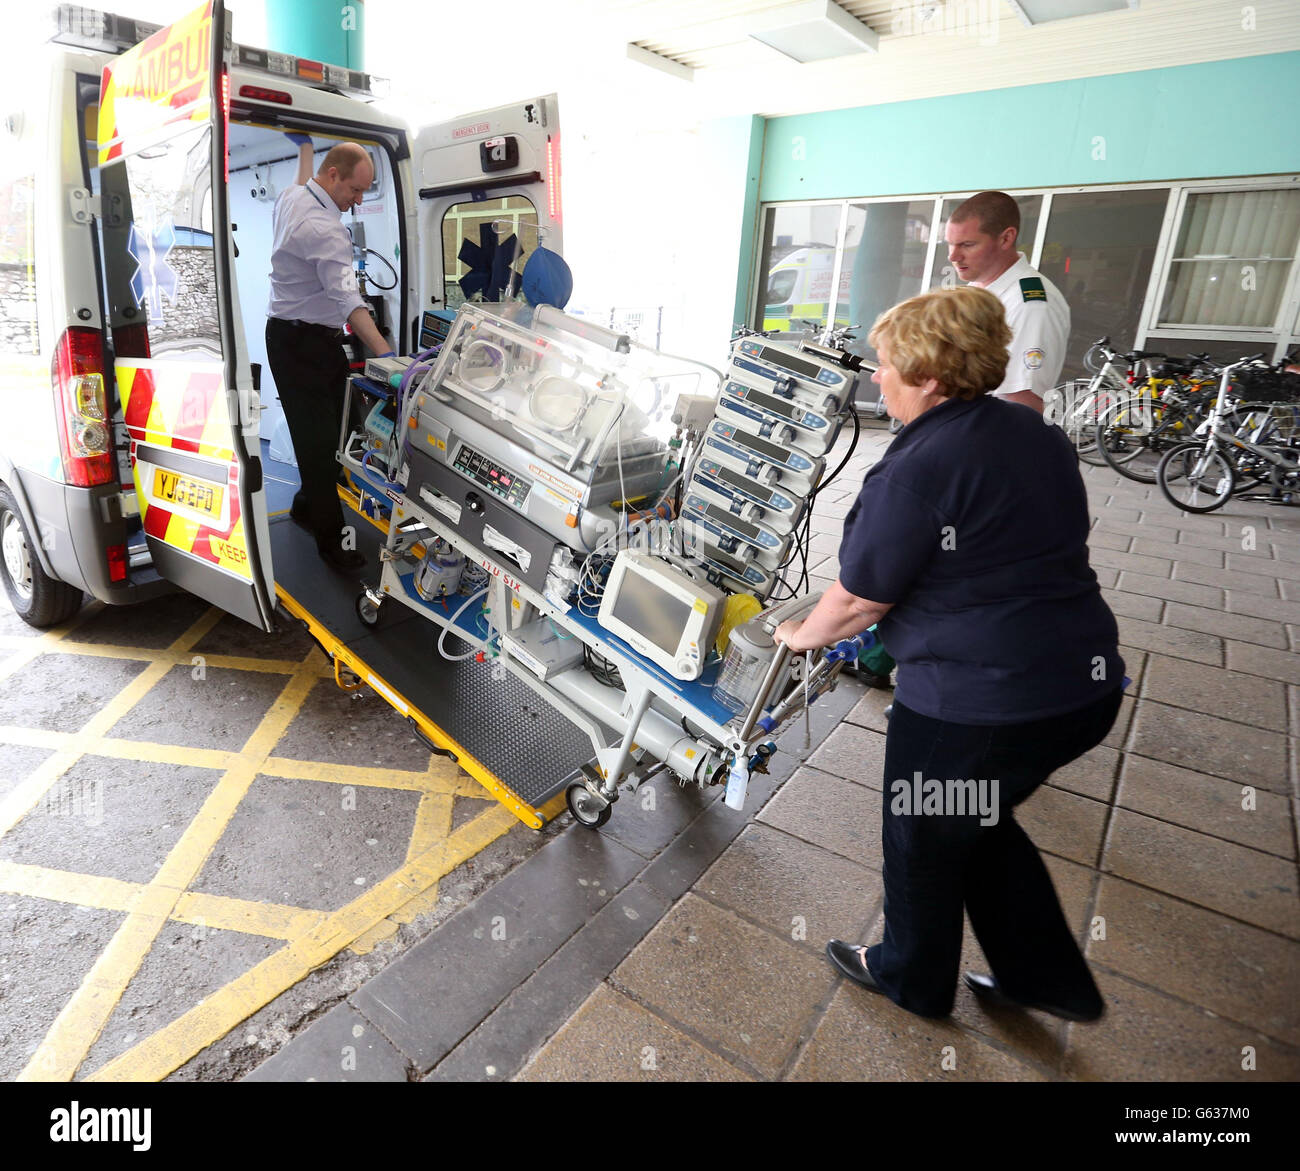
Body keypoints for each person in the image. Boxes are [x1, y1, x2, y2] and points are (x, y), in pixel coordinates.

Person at [774, 286, 1123, 1022]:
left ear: (930, 375)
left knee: (923, 833)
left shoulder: (918, 465)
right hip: (1083, 685)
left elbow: (860, 598)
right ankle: (1046, 979)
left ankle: (910, 974)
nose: (875, 376)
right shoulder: (1035, 433)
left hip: (983, 706)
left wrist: (796, 634)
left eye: (885, 363)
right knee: (978, 820)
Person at [266, 136, 393, 572]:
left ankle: (304, 504)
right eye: (354, 190)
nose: (357, 201)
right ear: (334, 175)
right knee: (320, 445)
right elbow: (348, 301)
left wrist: (304, 149)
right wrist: (389, 358)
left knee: (337, 430)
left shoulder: (291, 198)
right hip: (302, 343)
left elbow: (302, 181)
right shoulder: (324, 229)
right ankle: (333, 546)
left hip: (293, 338)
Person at [944, 191, 1070, 414]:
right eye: (950, 244)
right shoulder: (980, 289)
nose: (953, 256)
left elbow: (1021, 401)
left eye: (967, 245)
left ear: (1006, 238)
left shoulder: (1030, 304)